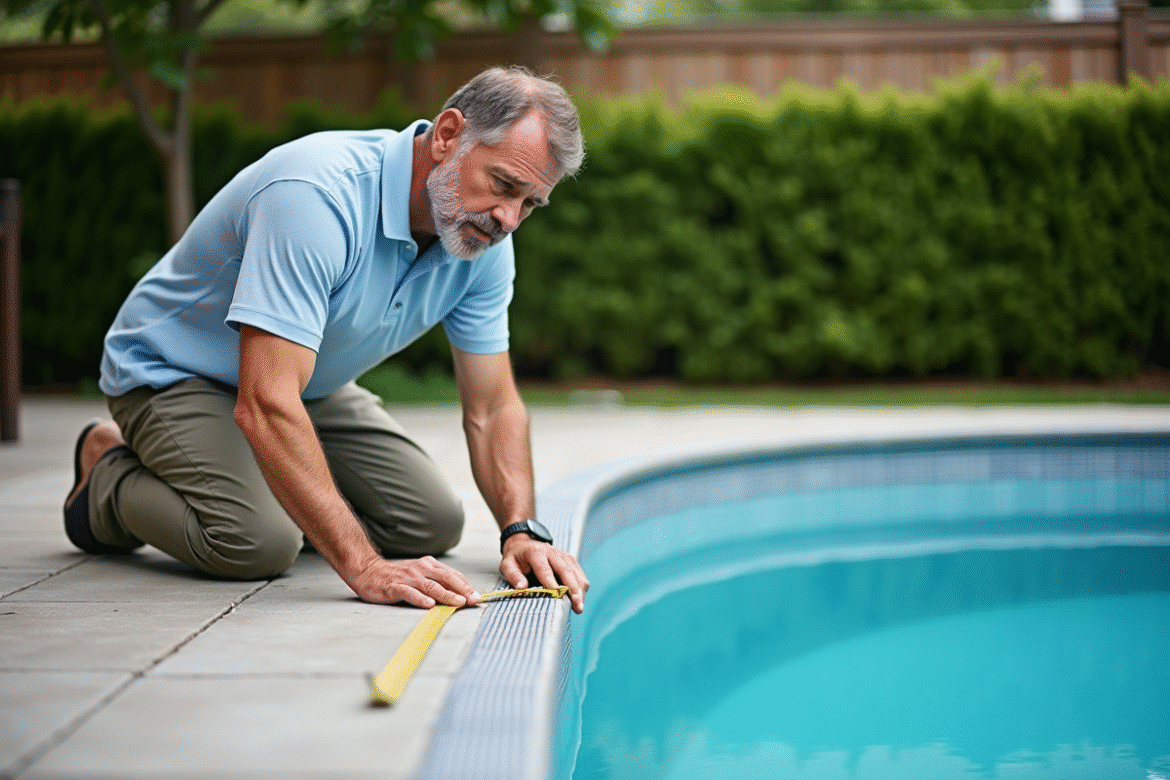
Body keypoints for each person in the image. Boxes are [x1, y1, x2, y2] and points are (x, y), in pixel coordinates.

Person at [62, 66, 589, 614]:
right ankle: (106, 475)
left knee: (428, 522)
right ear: (449, 135)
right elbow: (264, 402)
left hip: (306, 383)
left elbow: (494, 406)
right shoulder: (315, 195)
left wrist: (522, 531)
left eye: (529, 203)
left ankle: (266, 480)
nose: (509, 218)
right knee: (256, 542)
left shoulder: (481, 240)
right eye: (503, 185)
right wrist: (363, 565)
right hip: (173, 374)